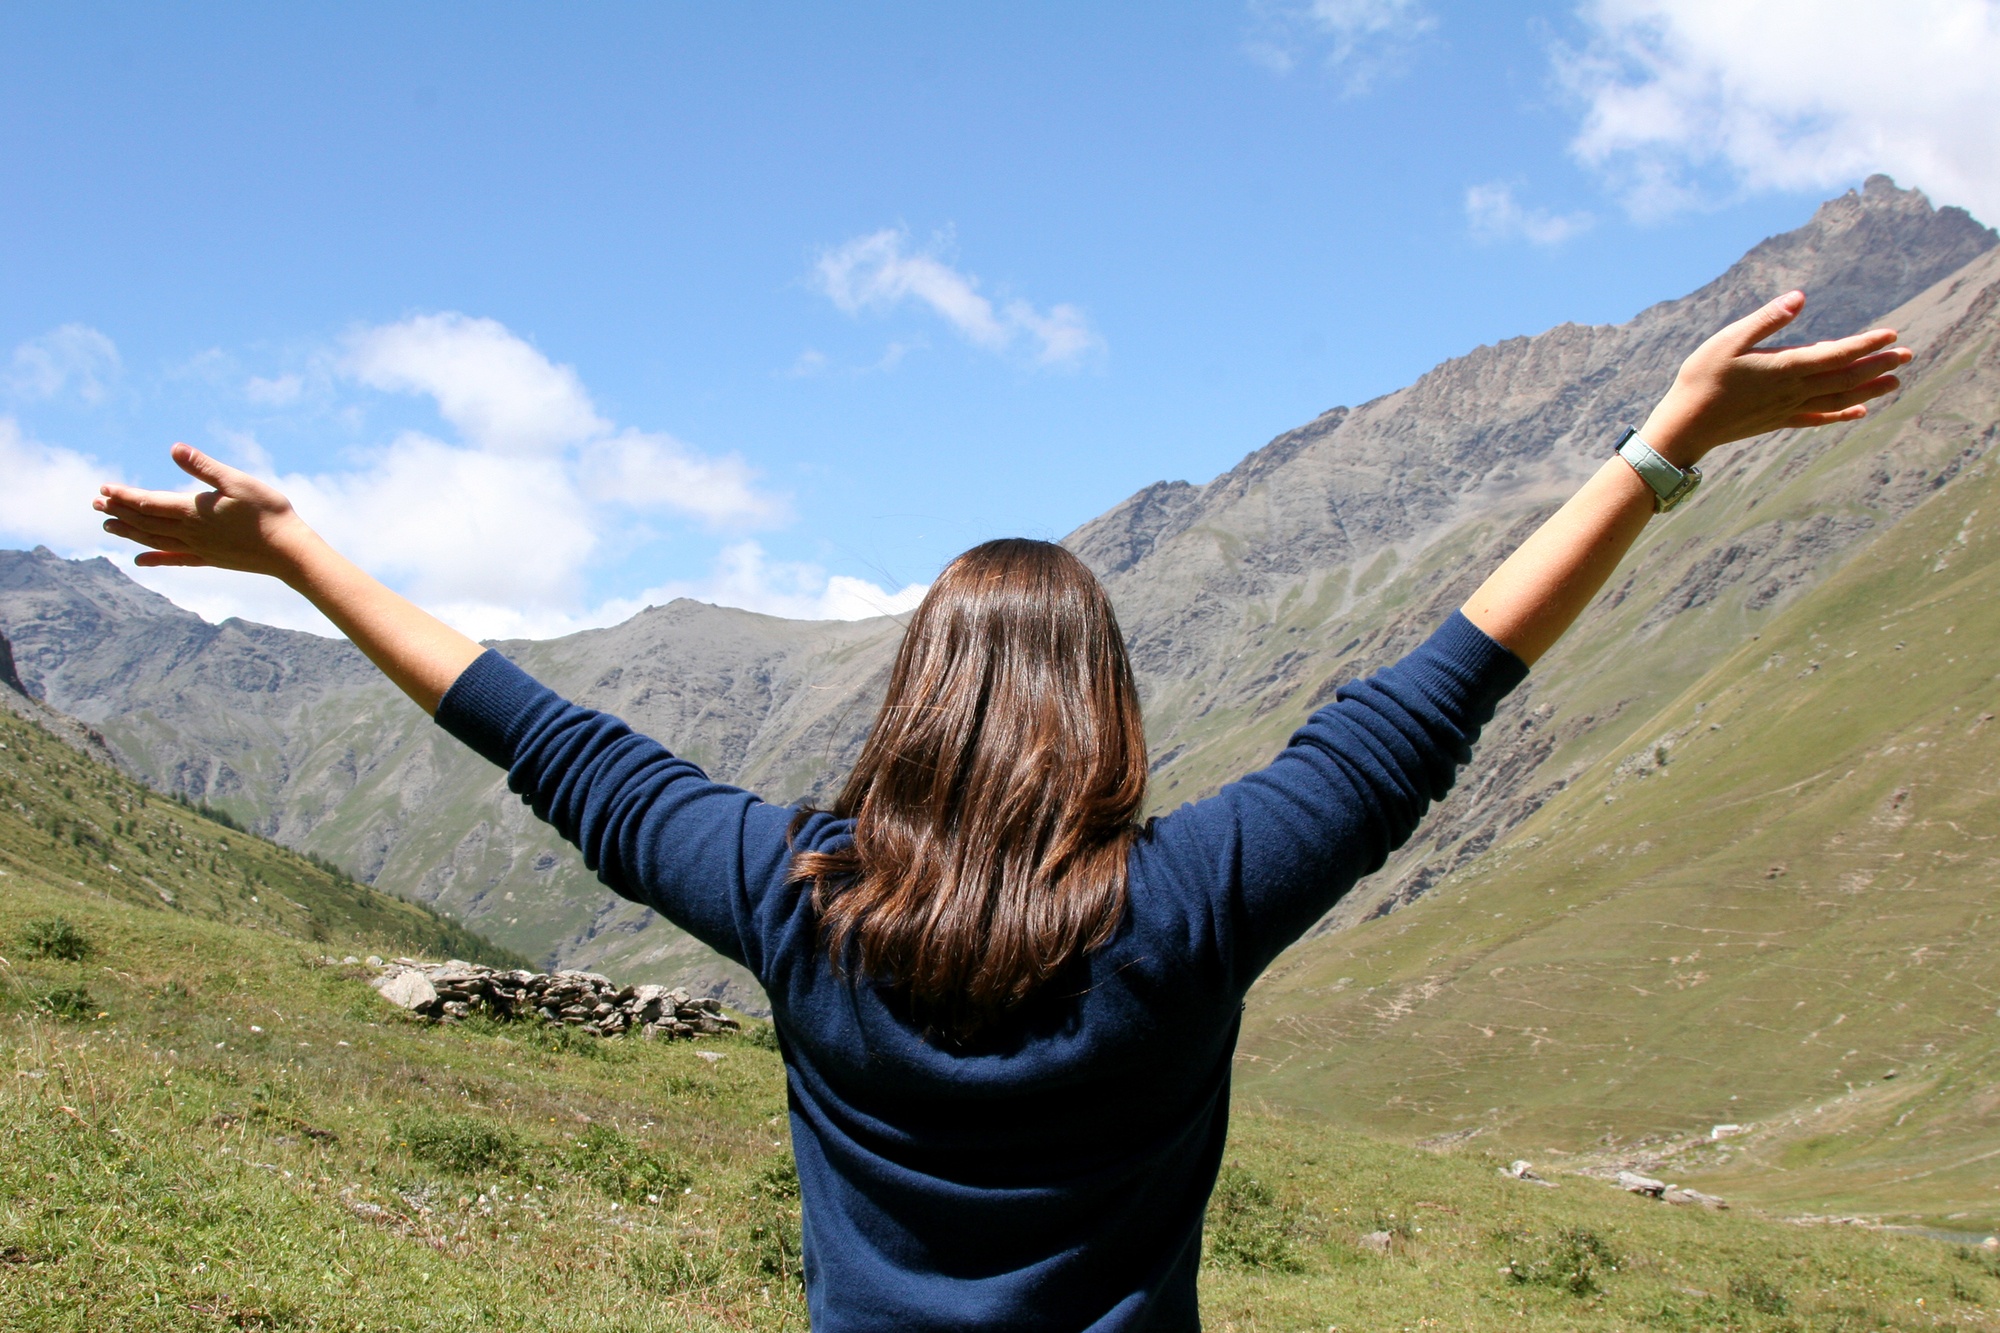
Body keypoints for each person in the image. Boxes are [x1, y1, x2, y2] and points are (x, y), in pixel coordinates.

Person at [94, 292, 1908, 1331]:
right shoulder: (1195, 898)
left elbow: (549, 744)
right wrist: (1667, 441)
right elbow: (1433, 697)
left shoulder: (790, 893)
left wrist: (298, 553)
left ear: (915, 701)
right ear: (1103, 713)